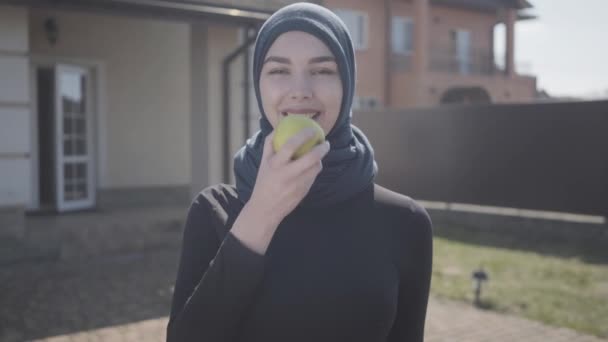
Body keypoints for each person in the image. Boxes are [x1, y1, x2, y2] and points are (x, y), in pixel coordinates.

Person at [166, 3, 433, 341]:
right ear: (258, 86)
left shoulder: (404, 222)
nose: (300, 90)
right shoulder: (213, 211)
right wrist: (261, 214)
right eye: (278, 70)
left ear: (348, 83)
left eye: (322, 70)